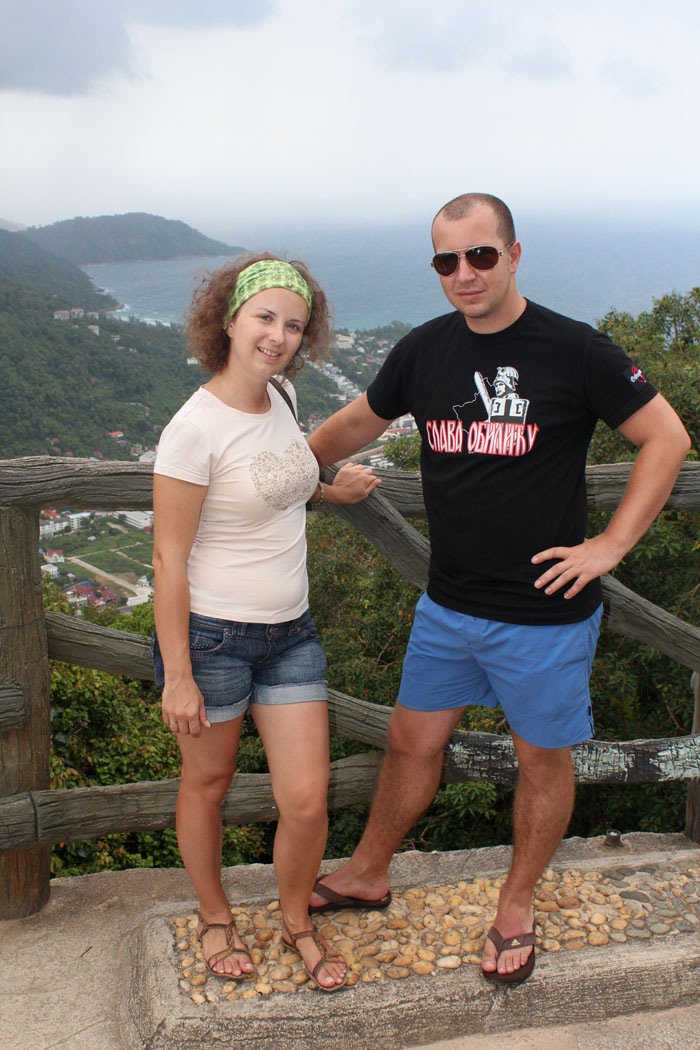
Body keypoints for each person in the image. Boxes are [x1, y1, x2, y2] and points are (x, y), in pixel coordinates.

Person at [306, 193, 691, 984]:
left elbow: (666, 437)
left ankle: (516, 905)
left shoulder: (574, 349)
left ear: (513, 255)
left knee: (541, 763)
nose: (465, 273)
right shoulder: (424, 351)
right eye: (447, 260)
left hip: (544, 616)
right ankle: (367, 872)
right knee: (411, 743)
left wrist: (611, 544)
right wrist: (289, 466)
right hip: (448, 605)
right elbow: (354, 425)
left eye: (480, 255)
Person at [151, 253, 379, 992]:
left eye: (294, 325)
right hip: (213, 638)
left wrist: (330, 493)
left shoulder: (282, 396)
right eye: (265, 317)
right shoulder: (193, 429)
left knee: (307, 800)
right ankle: (216, 916)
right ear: (228, 320)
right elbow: (168, 558)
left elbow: (277, 481)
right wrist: (178, 675)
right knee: (208, 785)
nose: (278, 336)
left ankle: (295, 919)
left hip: (291, 635)